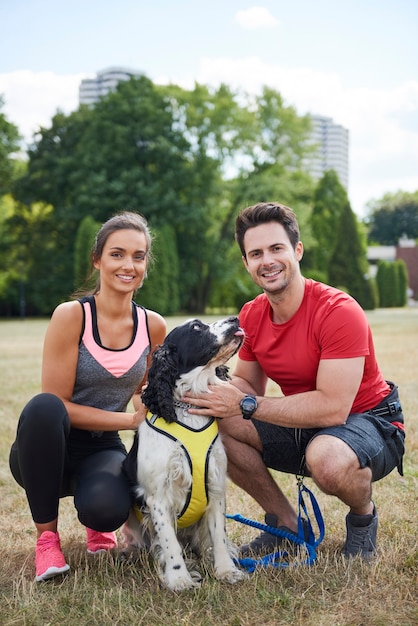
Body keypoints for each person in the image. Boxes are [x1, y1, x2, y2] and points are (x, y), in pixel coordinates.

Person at [183, 201, 405, 561]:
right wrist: (199, 391)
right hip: (306, 420)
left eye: (276, 248)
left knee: (328, 459)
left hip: (368, 420)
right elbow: (247, 387)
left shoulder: (338, 310)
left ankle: (363, 517)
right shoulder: (252, 314)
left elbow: (333, 408)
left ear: (297, 251)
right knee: (215, 422)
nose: (267, 260)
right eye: (255, 253)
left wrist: (245, 405)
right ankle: (287, 525)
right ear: (246, 263)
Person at [9, 211, 166, 581]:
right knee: (44, 406)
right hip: (48, 448)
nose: (128, 265)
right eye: (117, 254)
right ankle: (46, 540)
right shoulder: (71, 316)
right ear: (97, 259)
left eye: (138, 256)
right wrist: (128, 420)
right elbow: (58, 406)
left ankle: (97, 522)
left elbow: (147, 396)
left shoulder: (153, 327)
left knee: (107, 508)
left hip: (102, 449)